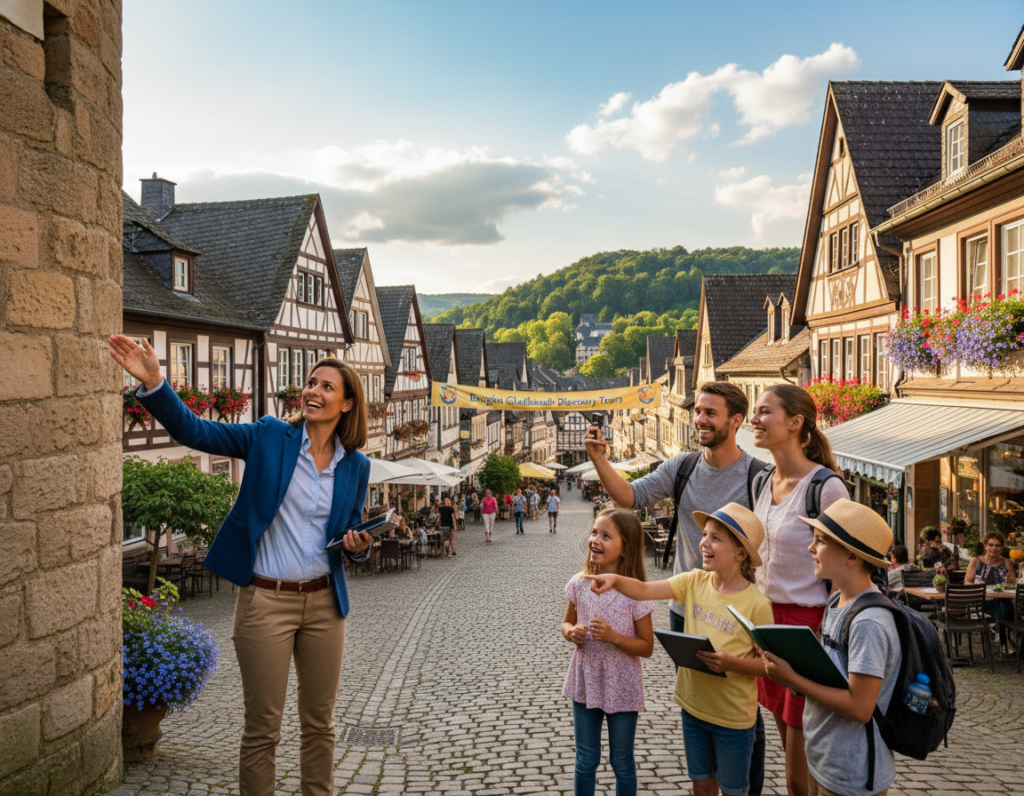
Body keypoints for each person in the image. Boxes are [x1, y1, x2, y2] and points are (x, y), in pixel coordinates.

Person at [108, 335, 372, 796]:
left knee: (320, 724)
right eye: (311, 383)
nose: (313, 391)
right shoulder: (270, 436)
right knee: (263, 729)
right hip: (265, 602)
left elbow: (348, 535)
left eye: (327, 387)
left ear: (347, 404)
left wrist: (359, 545)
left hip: (326, 605)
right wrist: (155, 383)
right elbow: (197, 432)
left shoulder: (356, 466)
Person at [584, 381, 771, 796]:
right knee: (701, 695)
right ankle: (706, 780)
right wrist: (598, 459)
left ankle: (742, 783)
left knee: (741, 698)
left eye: (710, 413)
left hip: (737, 605)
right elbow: (629, 496)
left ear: (735, 421)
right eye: (698, 411)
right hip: (687, 602)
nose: (700, 419)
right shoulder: (683, 467)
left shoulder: (759, 477)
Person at [585, 503, 772, 796]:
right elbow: (646, 590)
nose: (704, 542)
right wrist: (615, 581)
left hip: (733, 717)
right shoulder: (694, 580)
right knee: (701, 785)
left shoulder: (758, 604)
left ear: (740, 553)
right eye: (705, 534)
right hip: (693, 707)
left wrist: (731, 663)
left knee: (735, 790)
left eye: (715, 538)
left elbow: (768, 666)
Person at [748, 384, 848, 796]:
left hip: (808, 626)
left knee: (797, 773)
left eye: (764, 411)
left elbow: (845, 568)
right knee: (783, 732)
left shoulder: (825, 488)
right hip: (765, 623)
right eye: (754, 411)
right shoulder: (762, 482)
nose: (755, 419)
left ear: (795, 423)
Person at [762, 500, 901, 796]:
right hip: (824, 760)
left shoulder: (869, 622)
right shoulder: (836, 602)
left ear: (851, 555)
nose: (810, 548)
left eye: (821, 541)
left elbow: (861, 708)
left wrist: (792, 679)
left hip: (852, 775)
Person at [561, 509, 654, 796]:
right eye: (594, 533)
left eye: (605, 535)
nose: (595, 540)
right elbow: (566, 622)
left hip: (622, 682)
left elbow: (646, 646)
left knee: (622, 761)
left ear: (625, 548)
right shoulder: (580, 583)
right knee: (586, 759)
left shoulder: (636, 593)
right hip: (585, 680)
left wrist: (614, 637)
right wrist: (571, 632)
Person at [965, 531, 1017, 650]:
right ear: (985, 546)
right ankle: (1006, 642)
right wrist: (978, 588)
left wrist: (1010, 582)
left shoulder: (1007, 563)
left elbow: (1012, 584)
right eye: (991, 545)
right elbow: (967, 582)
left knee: (1007, 605)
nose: (994, 548)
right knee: (1005, 607)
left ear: (1001, 547)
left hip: (1002, 599)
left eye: (997, 545)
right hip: (982, 600)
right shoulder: (976, 561)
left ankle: (1006, 639)